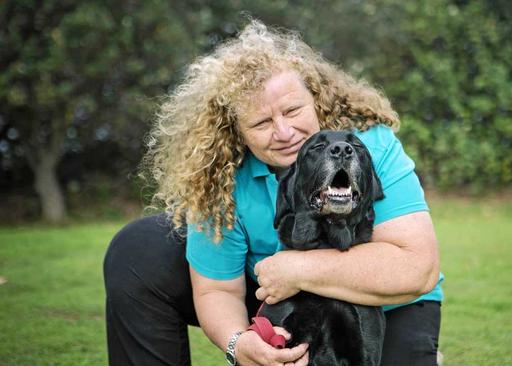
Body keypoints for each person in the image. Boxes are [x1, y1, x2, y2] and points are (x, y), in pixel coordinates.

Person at [104, 21, 443, 366]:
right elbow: (217, 290)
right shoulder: (219, 174)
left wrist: (297, 269)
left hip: (383, 299)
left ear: (316, 99)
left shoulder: (368, 143)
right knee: (139, 247)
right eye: (261, 124)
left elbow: (417, 270)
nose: (284, 132)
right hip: (279, 300)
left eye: (293, 110)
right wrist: (240, 344)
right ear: (235, 132)